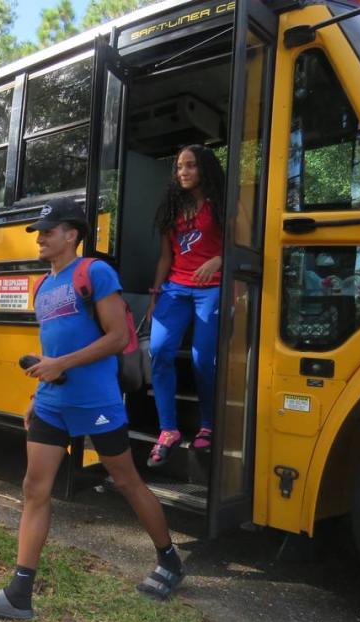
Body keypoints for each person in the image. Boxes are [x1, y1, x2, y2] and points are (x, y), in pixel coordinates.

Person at [0, 197, 184, 620]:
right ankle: (19, 593)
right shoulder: (43, 287)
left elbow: (118, 337)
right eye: (39, 232)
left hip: (96, 402)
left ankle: (170, 558)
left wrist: (60, 365)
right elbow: (53, 346)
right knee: (34, 488)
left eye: (50, 230)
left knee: (126, 482)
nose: (41, 237)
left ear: (73, 234)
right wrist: (36, 396)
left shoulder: (94, 273)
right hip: (53, 403)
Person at [145, 144, 225, 467]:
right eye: (179, 167)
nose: (183, 172)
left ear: (204, 168)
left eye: (190, 166)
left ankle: (208, 424)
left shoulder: (221, 205)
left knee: (202, 358)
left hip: (212, 288)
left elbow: (244, 243)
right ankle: (168, 430)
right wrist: (154, 295)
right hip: (176, 287)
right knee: (160, 350)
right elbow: (166, 257)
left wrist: (220, 260)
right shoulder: (171, 210)